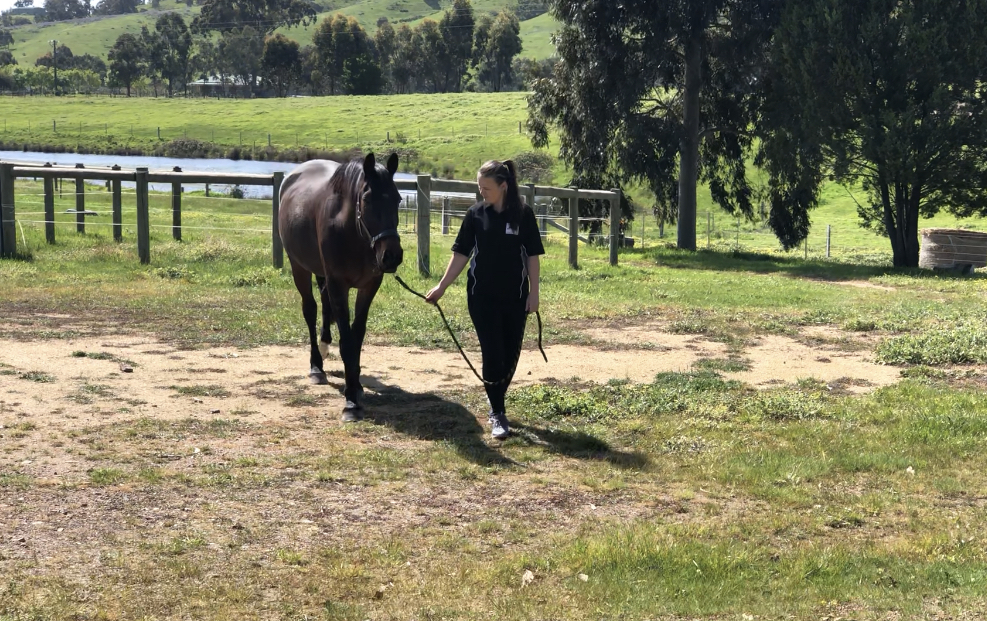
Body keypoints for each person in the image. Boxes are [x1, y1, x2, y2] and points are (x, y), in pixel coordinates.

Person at [425, 160, 545, 439]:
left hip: (516, 298)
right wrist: (442, 286)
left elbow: (532, 257)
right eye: (479, 187)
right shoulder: (475, 215)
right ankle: (498, 413)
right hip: (482, 299)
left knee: (508, 358)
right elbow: (461, 255)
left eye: (486, 188)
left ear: (503, 186)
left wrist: (534, 293)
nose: (482, 193)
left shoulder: (523, 215)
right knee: (492, 353)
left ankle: (495, 399)